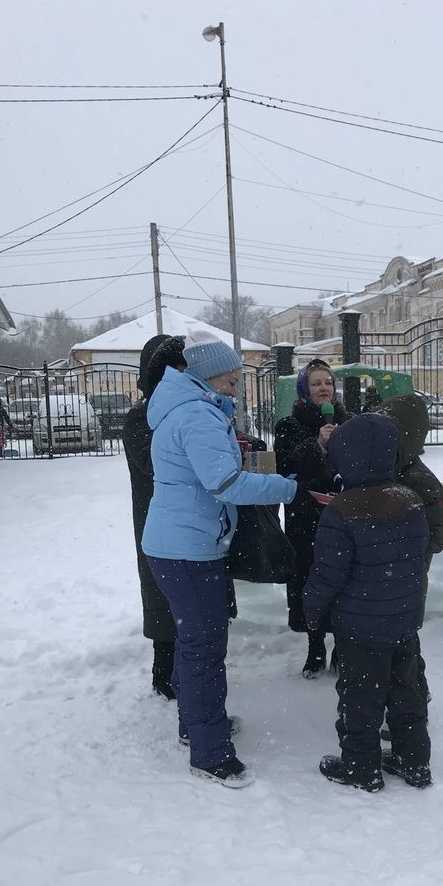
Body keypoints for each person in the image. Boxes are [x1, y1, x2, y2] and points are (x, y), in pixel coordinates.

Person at [142, 329, 298, 788]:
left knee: (196, 644)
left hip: (180, 543)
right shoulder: (196, 416)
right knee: (205, 648)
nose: (235, 389)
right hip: (187, 549)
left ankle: (196, 725)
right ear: (209, 376)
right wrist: (288, 487)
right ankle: (210, 753)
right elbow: (226, 484)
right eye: (231, 382)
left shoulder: (187, 409)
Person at [303, 413, 431, 793]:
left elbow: (328, 574)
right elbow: (418, 557)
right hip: (405, 620)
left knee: (360, 699)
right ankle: (414, 762)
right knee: (407, 692)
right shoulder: (410, 499)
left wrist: (311, 610)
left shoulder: (340, 510)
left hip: (360, 628)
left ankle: (361, 768)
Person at [274, 358, 348, 678]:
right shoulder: (289, 426)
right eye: (317, 383)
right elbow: (285, 466)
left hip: (343, 514)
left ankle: (343, 645)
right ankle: (315, 644)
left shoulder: (348, 420)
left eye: (328, 383)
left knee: (344, 579)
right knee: (310, 580)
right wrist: (318, 444)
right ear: (305, 389)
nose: (324, 388)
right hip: (305, 515)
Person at [376, 392, 443, 704]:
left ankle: (409, 708)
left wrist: (404, 553)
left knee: (401, 646)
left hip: (407, 579)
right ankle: (412, 695)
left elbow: (437, 536)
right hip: (389, 579)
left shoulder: (420, 480)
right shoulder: (386, 472)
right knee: (399, 644)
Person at [123, 334, 184, 700]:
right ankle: (163, 674)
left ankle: (186, 669)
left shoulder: (190, 411)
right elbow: (153, 465)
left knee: (188, 601)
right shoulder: (139, 420)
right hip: (156, 522)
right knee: (163, 596)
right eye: (172, 370)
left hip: (189, 522)